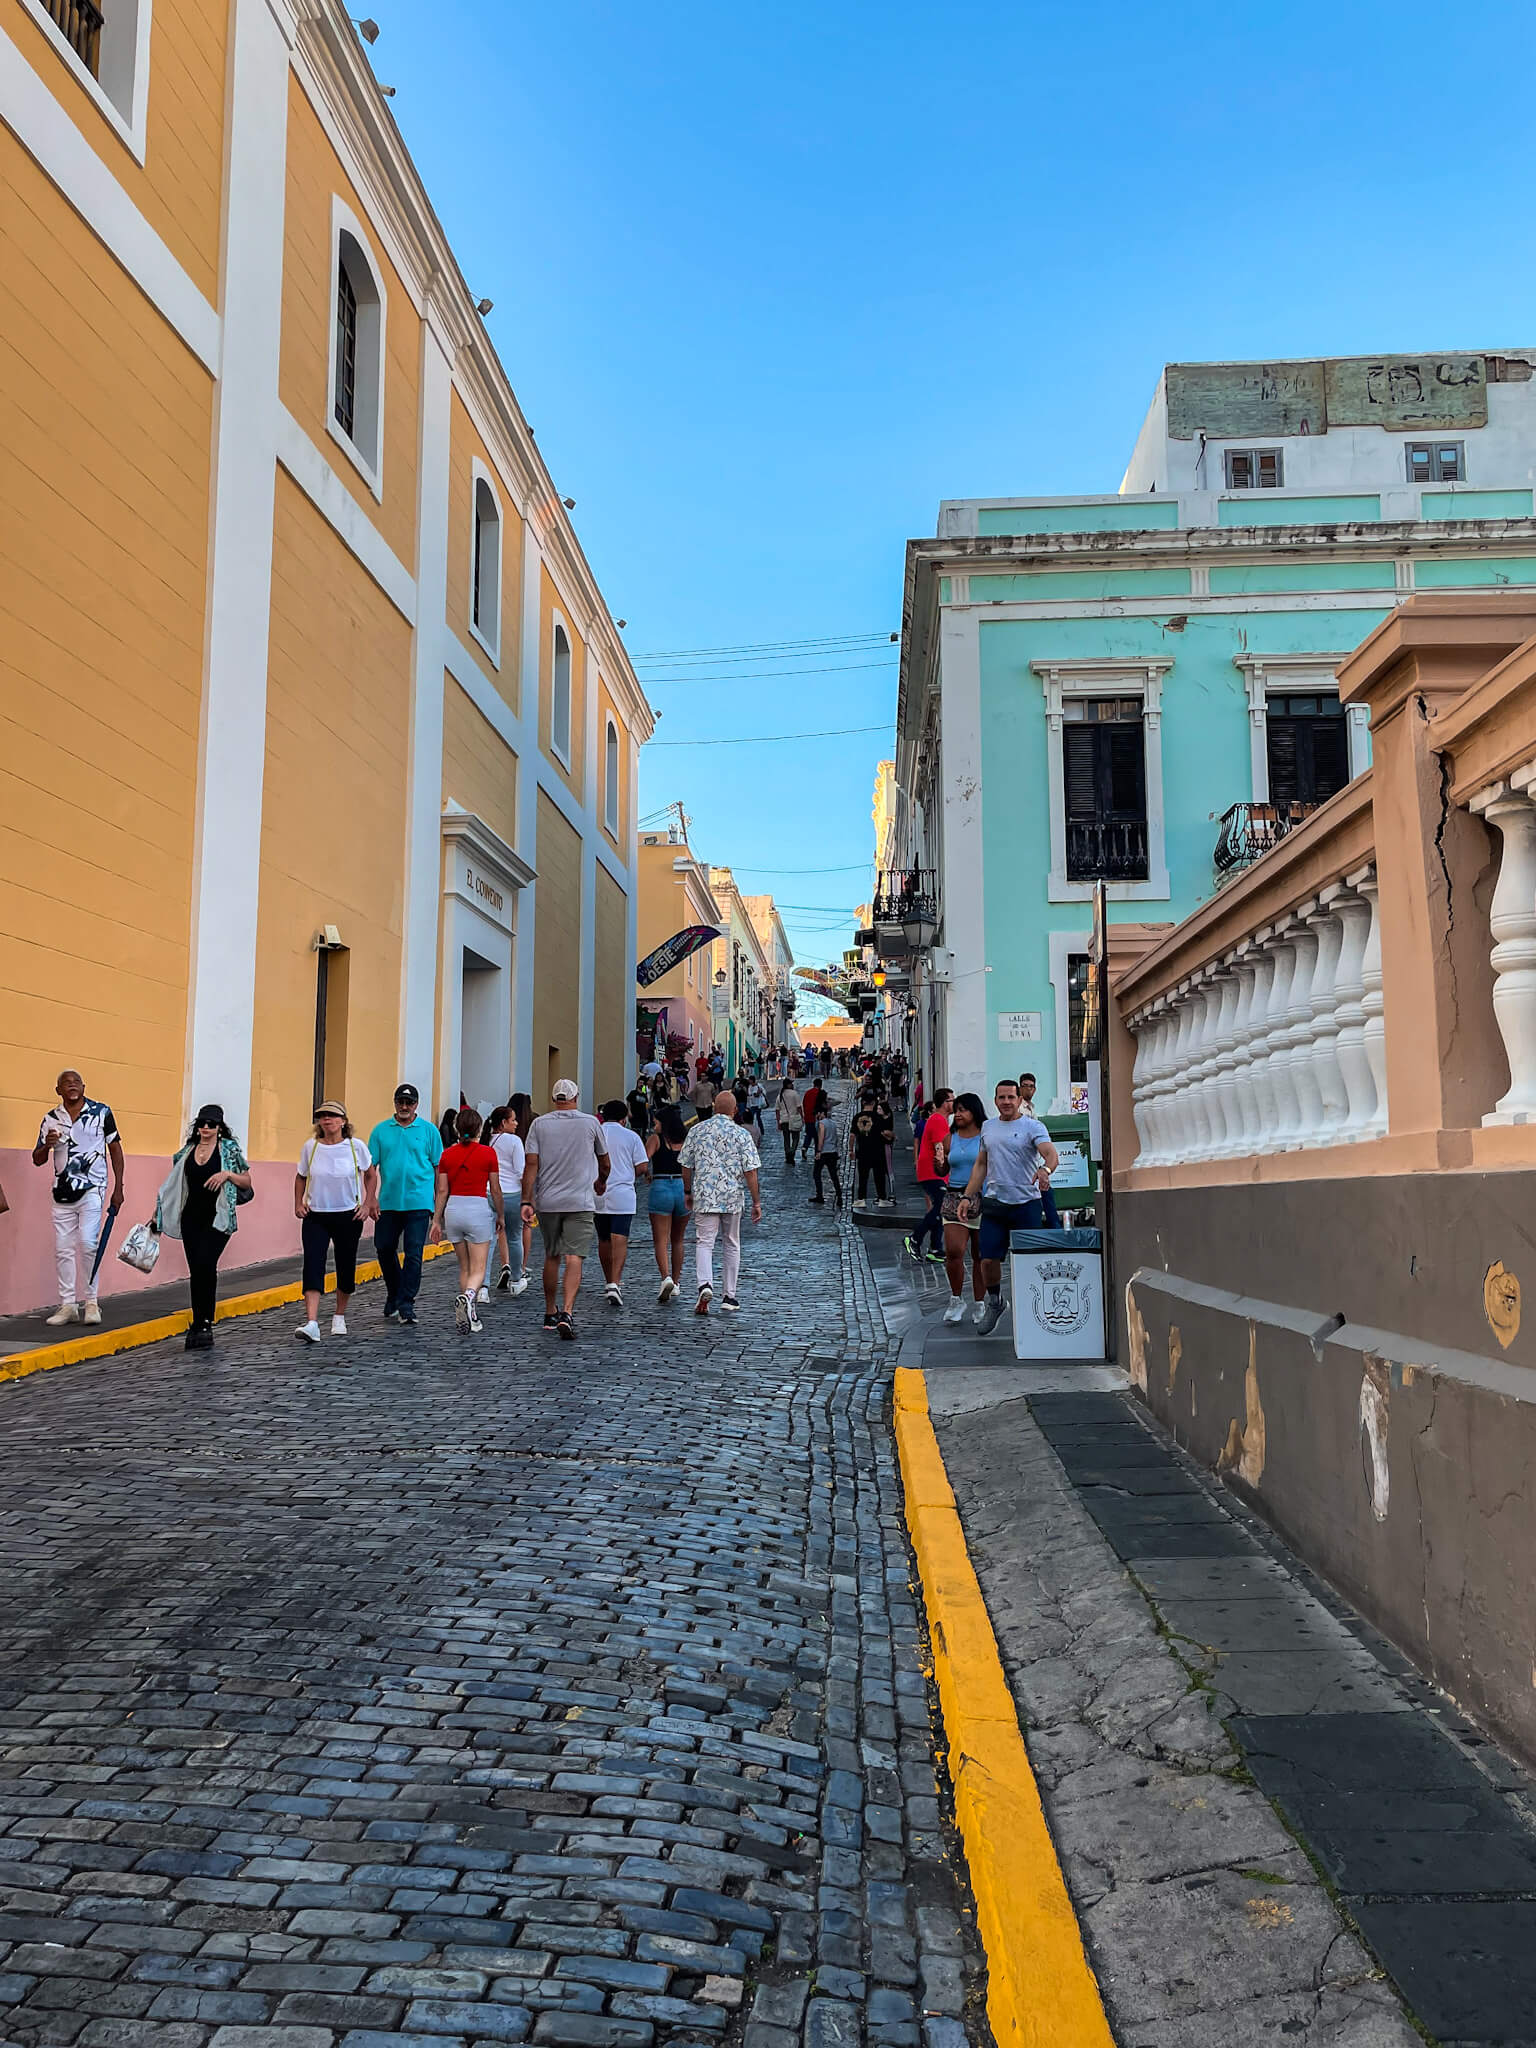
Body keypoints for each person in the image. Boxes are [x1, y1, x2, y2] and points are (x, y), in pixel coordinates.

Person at [958, 1079, 1060, 1336]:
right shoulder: (988, 1128)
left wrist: (1044, 1170)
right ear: (995, 1100)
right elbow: (981, 1164)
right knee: (987, 1260)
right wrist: (967, 1196)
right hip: (995, 1203)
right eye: (1001, 1098)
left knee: (1029, 1263)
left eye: (1011, 1098)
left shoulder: (1032, 1126)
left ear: (1019, 1100)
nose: (1006, 1102)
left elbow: (1051, 1154)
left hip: (1026, 1203)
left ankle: (1033, 1313)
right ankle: (996, 1302)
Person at [152, 1105, 253, 1350]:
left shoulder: (228, 1150)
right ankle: (198, 1323)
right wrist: (158, 1214)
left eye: (211, 1124)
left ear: (220, 1127)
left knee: (207, 1264)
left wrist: (227, 1175)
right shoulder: (186, 1152)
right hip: (191, 1218)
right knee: (197, 1270)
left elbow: (247, 1181)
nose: (206, 1128)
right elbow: (173, 1187)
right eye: (202, 1124)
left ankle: (206, 1322)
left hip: (218, 1217)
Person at [32, 1071, 125, 1327]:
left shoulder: (101, 1112)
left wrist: (119, 1187)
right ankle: (68, 1305)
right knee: (63, 1248)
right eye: (66, 1083)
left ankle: (92, 1302)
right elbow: (37, 1159)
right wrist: (47, 1145)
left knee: (87, 1243)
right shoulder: (51, 1119)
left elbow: (115, 1148)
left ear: (83, 1087)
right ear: (58, 1090)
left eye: (76, 1082)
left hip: (93, 1188)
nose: (72, 1085)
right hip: (61, 1192)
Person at [521, 1079, 609, 1339]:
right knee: (574, 1258)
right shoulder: (590, 1123)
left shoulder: (539, 1124)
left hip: (548, 1201)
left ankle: (550, 1311)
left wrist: (528, 1200)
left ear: (554, 1098)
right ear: (576, 1097)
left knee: (552, 1256)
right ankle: (567, 1312)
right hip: (580, 1201)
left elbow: (531, 1166)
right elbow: (605, 1161)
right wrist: (601, 1182)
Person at [294, 1102, 376, 1344]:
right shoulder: (311, 1147)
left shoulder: (355, 1147)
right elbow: (300, 1176)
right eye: (322, 1116)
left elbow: (371, 1175)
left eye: (331, 1115)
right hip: (316, 1215)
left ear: (343, 1121)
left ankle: (339, 1314)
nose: (326, 1119)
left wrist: (368, 1203)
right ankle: (312, 1322)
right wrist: (298, 1202)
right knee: (312, 1262)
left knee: (345, 1263)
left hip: (347, 1215)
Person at [678, 1091, 761, 1315]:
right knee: (731, 1243)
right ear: (735, 1110)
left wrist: (688, 1190)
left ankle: (705, 1284)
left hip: (705, 1196)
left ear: (714, 1107)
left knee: (704, 1242)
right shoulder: (742, 1134)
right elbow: (751, 1171)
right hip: (732, 1197)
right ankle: (729, 1296)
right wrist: (756, 1202)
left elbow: (686, 1165)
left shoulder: (697, 1130)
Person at [369, 1082, 443, 1327]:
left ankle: (406, 1303)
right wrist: (370, 1198)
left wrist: (439, 1210)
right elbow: (371, 1168)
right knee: (384, 1247)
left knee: (413, 1254)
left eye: (409, 1102)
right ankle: (395, 1291)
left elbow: (438, 1168)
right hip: (389, 1201)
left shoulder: (429, 1131)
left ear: (416, 1105)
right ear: (394, 1103)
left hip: (419, 1202)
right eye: (400, 1101)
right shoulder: (381, 1131)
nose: (404, 1106)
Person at [430, 1107, 504, 1334]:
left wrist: (436, 1220)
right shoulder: (488, 1153)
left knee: (464, 1266)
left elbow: (442, 1190)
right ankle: (469, 1296)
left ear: (456, 1128)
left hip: (454, 1209)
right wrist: (500, 1214)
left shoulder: (446, 1155)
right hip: (478, 1209)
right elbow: (496, 1189)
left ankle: (470, 1315)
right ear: (480, 1129)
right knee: (479, 1268)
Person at [595, 1099, 650, 1309]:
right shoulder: (631, 1136)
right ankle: (615, 1282)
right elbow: (643, 1166)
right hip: (623, 1194)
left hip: (598, 1192)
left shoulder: (596, 1133)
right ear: (624, 1118)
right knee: (620, 1239)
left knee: (603, 1239)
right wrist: (628, 1174)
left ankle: (608, 1279)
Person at [939, 1093, 988, 1325]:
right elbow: (942, 1169)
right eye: (956, 1109)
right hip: (954, 1196)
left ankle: (980, 1302)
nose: (958, 1114)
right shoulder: (951, 1138)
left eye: (963, 1110)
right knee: (954, 1251)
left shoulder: (986, 1137)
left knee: (980, 1255)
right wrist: (938, 1163)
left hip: (982, 1197)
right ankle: (956, 1298)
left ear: (975, 1112)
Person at [646, 1104, 690, 1302]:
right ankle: (677, 1282)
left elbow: (642, 1159)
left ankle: (666, 1278)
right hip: (681, 1188)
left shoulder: (656, 1139)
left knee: (661, 1241)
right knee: (678, 1240)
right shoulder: (685, 1140)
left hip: (661, 1186)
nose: (654, 1124)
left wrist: (647, 1173)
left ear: (663, 1123)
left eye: (656, 1121)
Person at [905, 1088, 953, 1263]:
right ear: (944, 1103)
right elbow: (939, 1147)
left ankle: (935, 1248)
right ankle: (915, 1238)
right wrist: (944, 1166)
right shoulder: (939, 1119)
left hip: (933, 1171)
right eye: (951, 1100)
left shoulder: (941, 1119)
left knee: (940, 1208)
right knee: (940, 1205)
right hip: (932, 1170)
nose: (954, 1103)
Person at [487, 1105, 528, 1296]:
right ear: (503, 1123)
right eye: (513, 1120)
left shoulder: (486, 1141)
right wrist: (529, 1197)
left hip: (488, 1193)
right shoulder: (514, 1141)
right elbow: (521, 1171)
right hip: (511, 1193)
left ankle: (483, 1283)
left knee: (488, 1241)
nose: (516, 1123)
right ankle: (516, 1279)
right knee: (514, 1237)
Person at [851, 1088, 894, 1209]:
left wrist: (850, 1150)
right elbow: (885, 1132)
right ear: (874, 1103)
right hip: (877, 1150)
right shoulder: (878, 1117)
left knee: (863, 1176)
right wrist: (892, 1136)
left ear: (863, 1102)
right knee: (879, 1176)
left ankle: (861, 1199)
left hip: (863, 1151)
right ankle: (882, 1198)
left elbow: (852, 1135)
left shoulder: (857, 1117)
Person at [809, 1094, 842, 1207]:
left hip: (824, 1152)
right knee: (833, 1175)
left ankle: (820, 1196)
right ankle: (840, 1195)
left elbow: (821, 1138)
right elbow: (836, 1138)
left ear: (821, 1113)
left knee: (816, 1174)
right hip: (833, 1152)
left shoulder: (821, 1124)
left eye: (817, 1114)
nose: (817, 1116)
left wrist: (818, 1151)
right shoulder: (832, 1123)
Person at [774, 1078, 801, 1165]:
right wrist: (802, 1117)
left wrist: (778, 1122)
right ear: (788, 1085)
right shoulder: (794, 1094)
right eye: (791, 1083)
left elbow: (777, 1110)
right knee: (796, 1138)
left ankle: (787, 1155)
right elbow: (799, 1107)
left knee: (786, 1139)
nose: (792, 1085)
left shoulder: (780, 1096)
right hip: (794, 1119)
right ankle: (792, 1152)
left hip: (784, 1120)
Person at [800, 1077, 823, 1160]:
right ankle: (817, 1153)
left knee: (809, 1134)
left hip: (808, 1117)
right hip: (817, 1119)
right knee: (817, 1137)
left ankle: (804, 1148)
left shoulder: (807, 1093)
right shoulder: (820, 1093)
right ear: (820, 1085)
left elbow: (804, 1104)